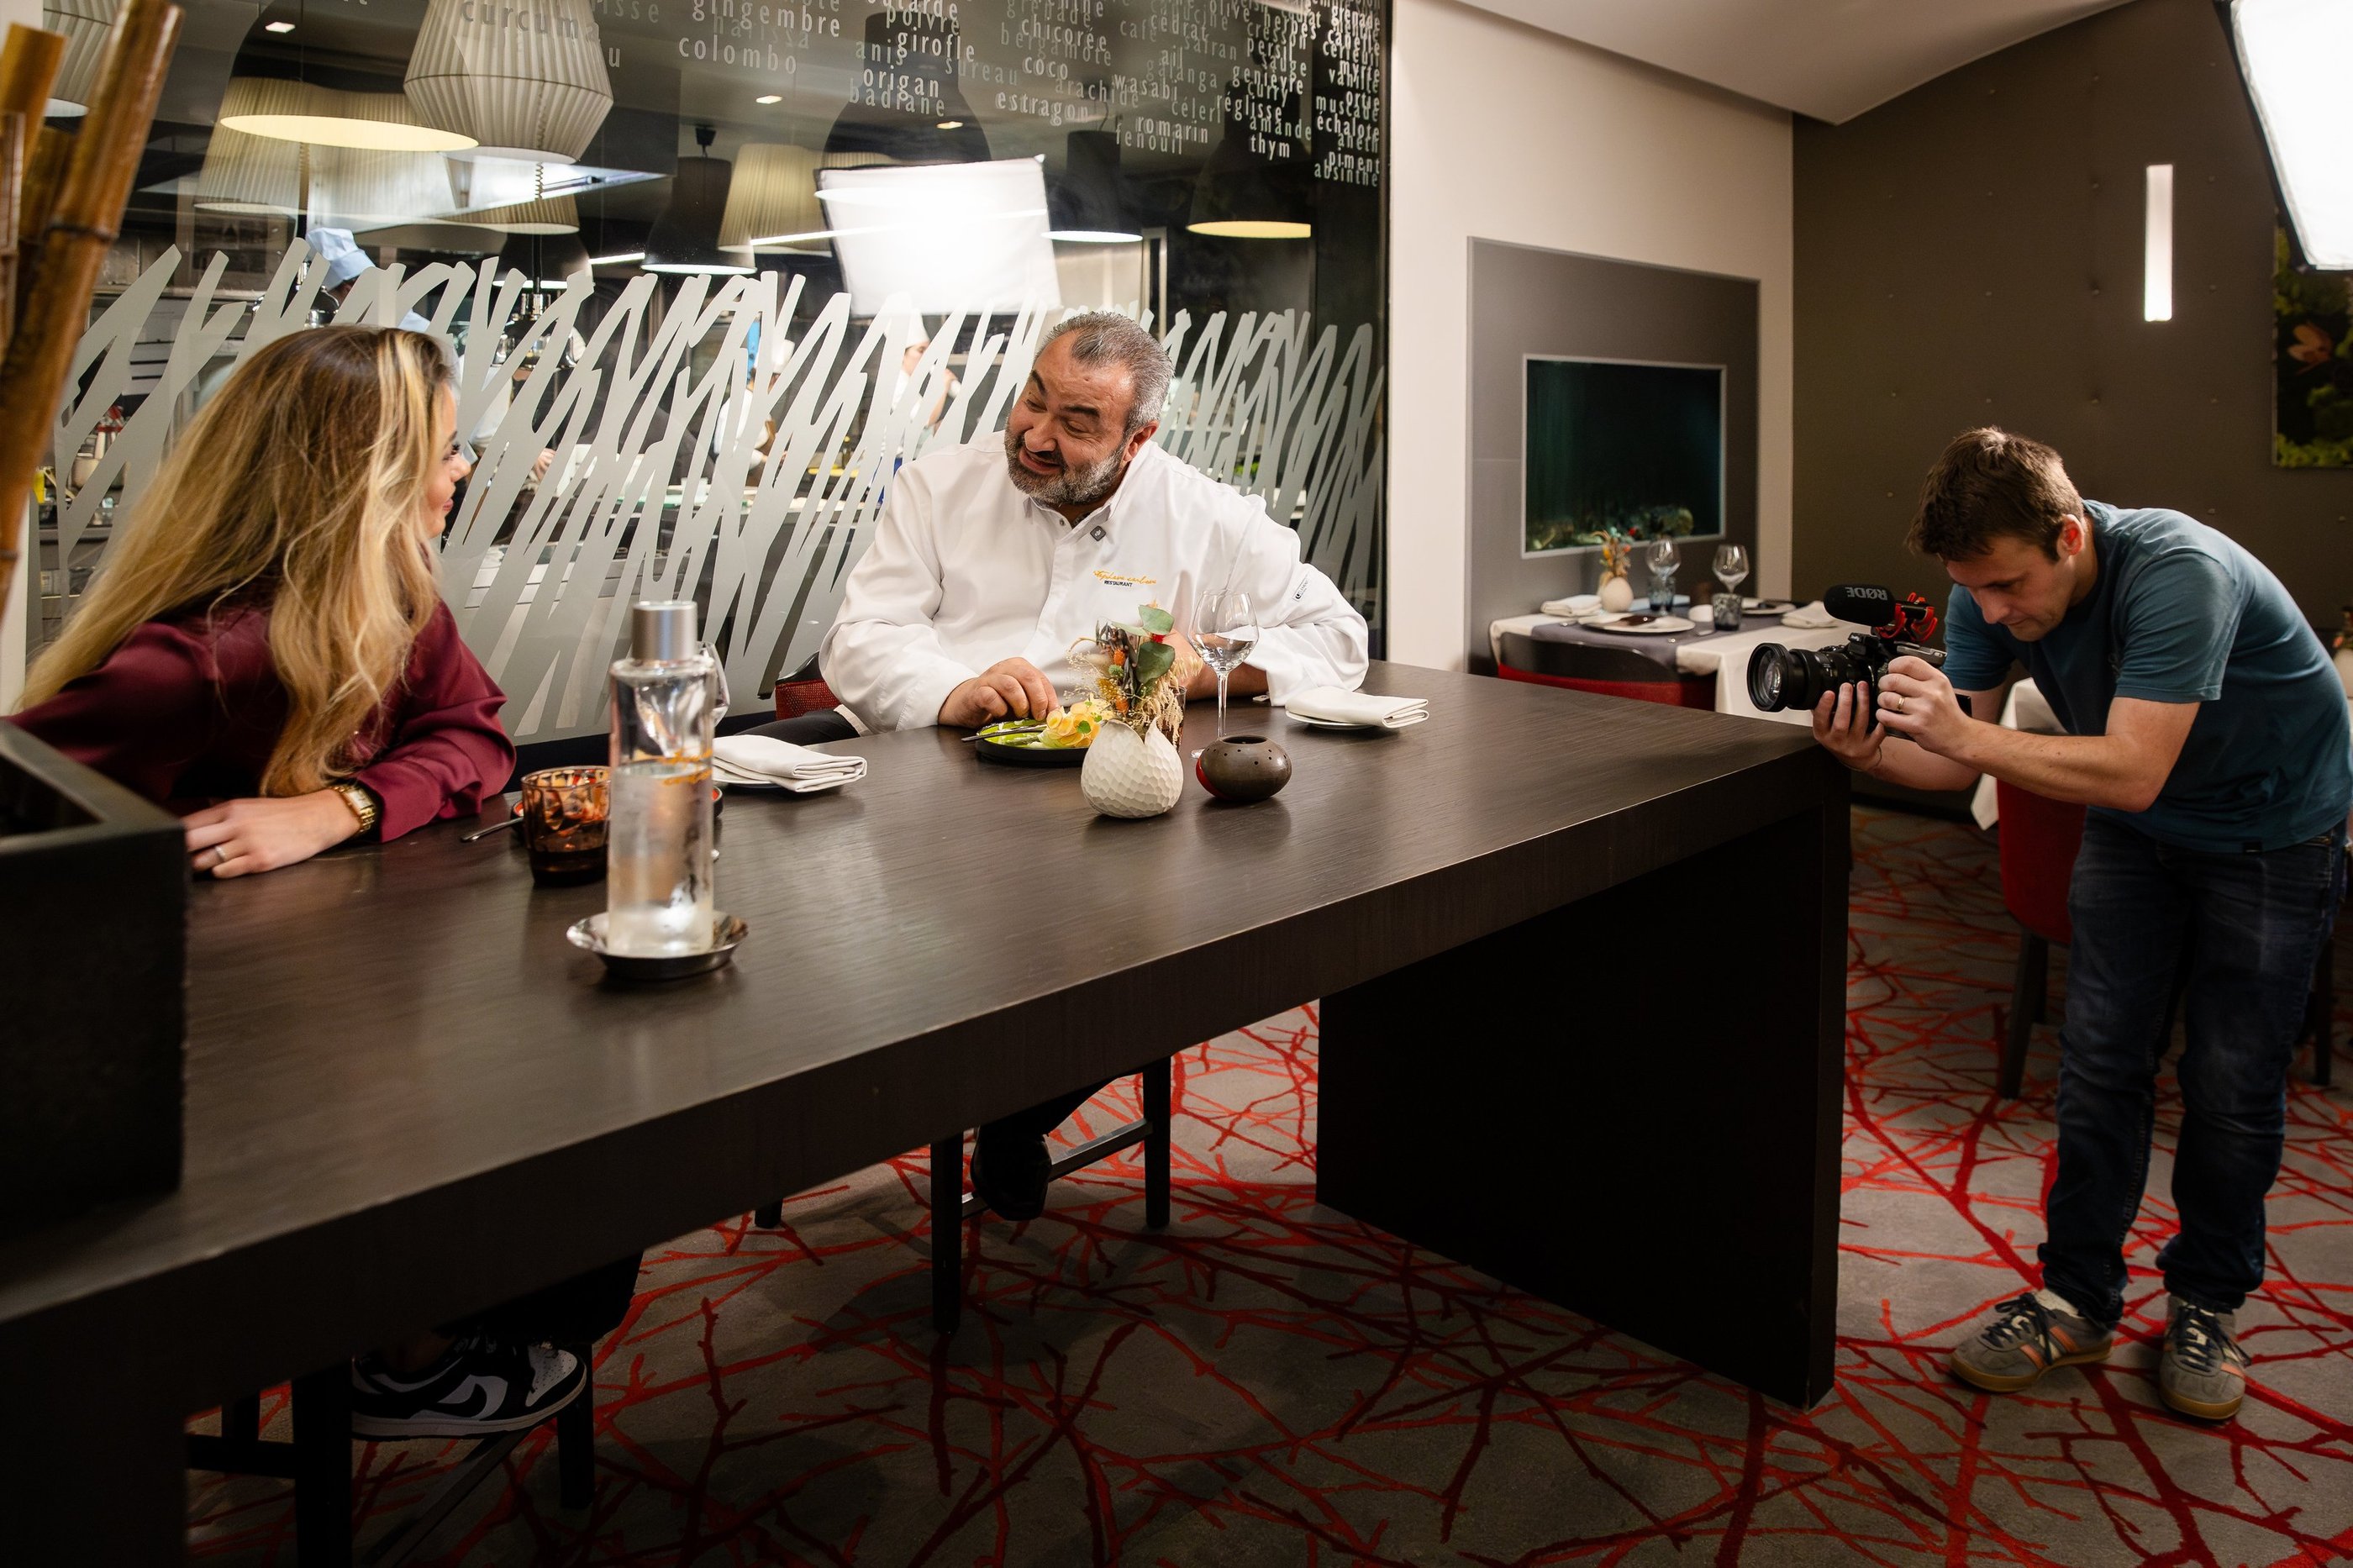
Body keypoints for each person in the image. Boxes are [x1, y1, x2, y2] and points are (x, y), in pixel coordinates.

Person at [8, 325, 634, 1434]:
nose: (459, 475)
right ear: (370, 474)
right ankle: (396, 1356)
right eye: (444, 452)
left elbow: (477, 740)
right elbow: (23, 791)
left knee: (575, 1094)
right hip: (216, 1053)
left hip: (339, 996)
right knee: (545, 1121)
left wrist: (335, 808)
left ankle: (405, 1332)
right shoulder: (196, 663)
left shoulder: (397, 609)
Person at [758, 310, 1369, 1217]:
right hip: (935, 783)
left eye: (1077, 424)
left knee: (1146, 947)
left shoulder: (1205, 515)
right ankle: (827, 1117)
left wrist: (1198, 673)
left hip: (1107, 800)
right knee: (877, 945)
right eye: (1032, 401)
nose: (1036, 436)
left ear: (1140, 437)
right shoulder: (939, 487)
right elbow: (862, 638)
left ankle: (1017, 1109)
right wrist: (956, 685)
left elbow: (1337, 637)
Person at [1811, 428, 2350, 1423]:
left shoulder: (2176, 571)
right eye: (1976, 591)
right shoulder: (1987, 593)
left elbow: (2131, 767)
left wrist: (1969, 731)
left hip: (2272, 828)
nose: (1997, 614)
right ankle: (2076, 1297)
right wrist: (1868, 758)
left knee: (2231, 1083)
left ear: (2067, 535)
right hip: (2137, 830)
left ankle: (2205, 1303)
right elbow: (1953, 764)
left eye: (2010, 587)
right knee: (2099, 1062)